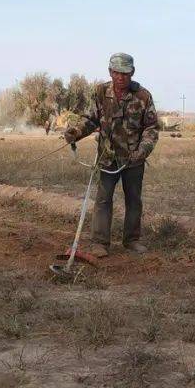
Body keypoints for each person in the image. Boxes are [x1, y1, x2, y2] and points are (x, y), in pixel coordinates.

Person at [63, 53, 159, 256]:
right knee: (103, 199)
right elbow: (90, 120)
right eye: (116, 73)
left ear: (132, 73)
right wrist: (76, 133)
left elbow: (151, 128)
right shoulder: (100, 92)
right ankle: (100, 243)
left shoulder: (143, 96)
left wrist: (142, 151)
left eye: (124, 73)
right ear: (110, 72)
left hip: (133, 160)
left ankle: (131, 240)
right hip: (108, 158)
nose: (120, 77)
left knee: (133, 200)